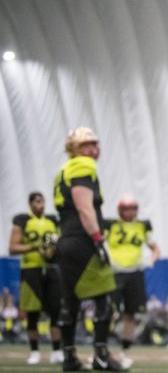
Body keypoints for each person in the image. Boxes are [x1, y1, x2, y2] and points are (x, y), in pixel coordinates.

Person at [52, 126, 124, 371]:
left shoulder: (63, 170)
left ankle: (69, 357)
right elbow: (85, 208)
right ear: (74, 149)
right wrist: (97, 239)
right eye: (85, 145)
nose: (92, 149)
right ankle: (101, 355)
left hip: (66, 240)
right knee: (105, 301)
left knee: (69, 303)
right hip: (82, 240)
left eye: (94, 143)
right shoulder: (84, 166)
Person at [103, 194, 161, 369]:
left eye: (132, 208)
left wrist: (150, 260)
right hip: (115, 273)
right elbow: (99, 243)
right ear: (120, 210)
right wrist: (106, 260)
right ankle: (101, 350)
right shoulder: (111, 225)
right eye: (126, 209)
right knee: (107, 311)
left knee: (132, 313)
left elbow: (155, 248)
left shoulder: (141, 227)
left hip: (135, 273)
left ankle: (125, 352)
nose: (130, 212)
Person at [8, 192, 63, 365]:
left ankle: (56, 350)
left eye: (43, 201)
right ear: (30, 203)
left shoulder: (51, 221)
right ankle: (34, 351)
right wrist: (34, 247)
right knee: (33, 313)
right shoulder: (23, 220)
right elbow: (13, 248)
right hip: (30, 270)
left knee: (55, 311)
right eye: (37, 201)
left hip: (49, 269)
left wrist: (49, 252)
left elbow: (51, 247)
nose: (41, 204)